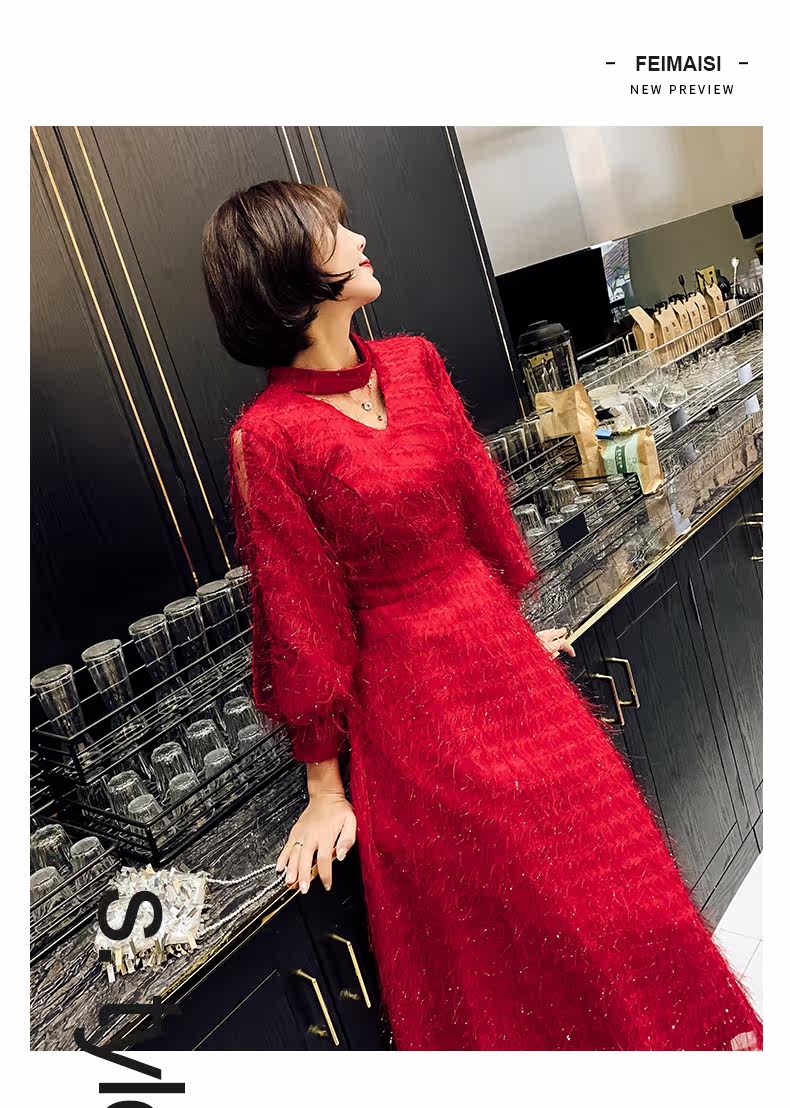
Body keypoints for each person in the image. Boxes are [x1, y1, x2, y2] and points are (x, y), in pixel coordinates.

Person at [201, 180, 762, 1051]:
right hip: (418, 712)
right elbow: (300, 614)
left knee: (623, 885)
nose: (358, 236)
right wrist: (324, 789)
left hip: (502, 662)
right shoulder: (267, 438)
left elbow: (478, 508)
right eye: (331, 231)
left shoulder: (415, 362)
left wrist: (508, 627)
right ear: (285, 277)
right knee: (529, 933)